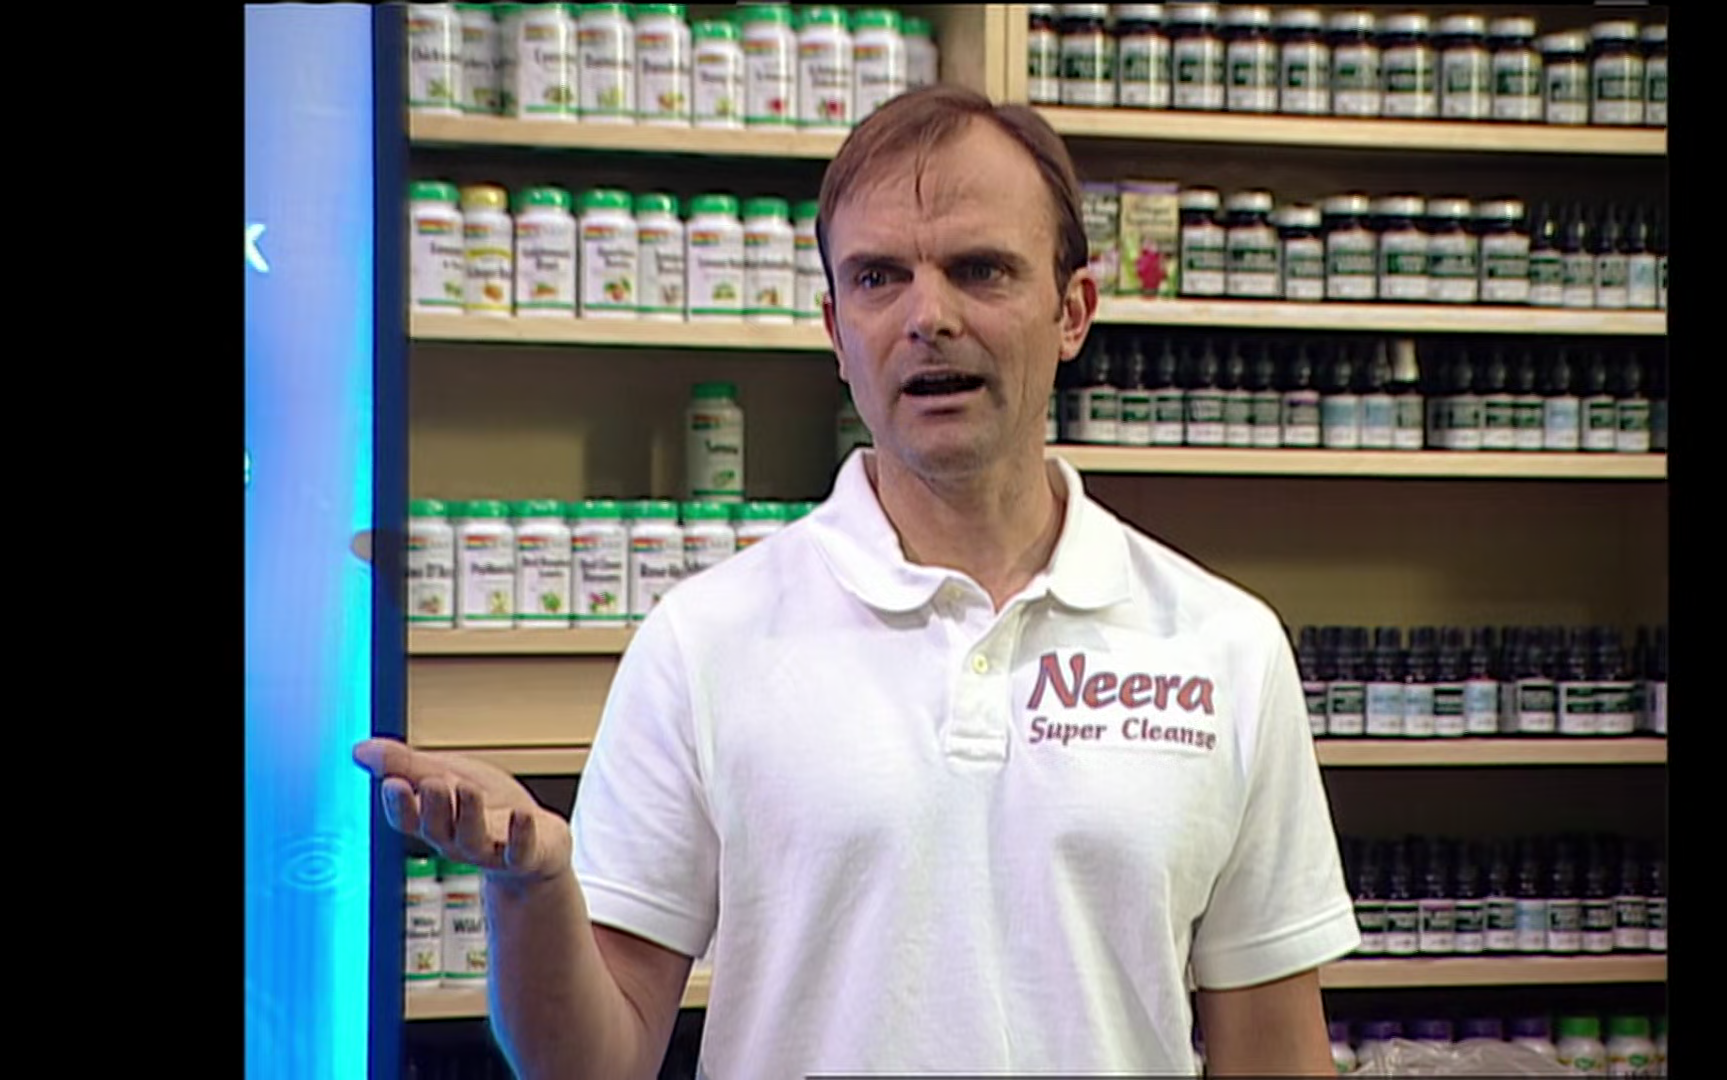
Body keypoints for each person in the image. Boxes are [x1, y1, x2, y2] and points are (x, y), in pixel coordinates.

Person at [356, 85, 1358, 1078]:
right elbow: (594, 1065)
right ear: (837, 331)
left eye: (979, 270)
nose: (929, 317)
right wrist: (531, 893)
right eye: (880, 277)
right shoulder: (705, 640)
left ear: (1072, 311)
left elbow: (1276, 1053)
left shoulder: (1223, 647)